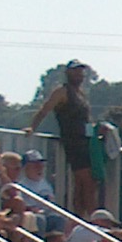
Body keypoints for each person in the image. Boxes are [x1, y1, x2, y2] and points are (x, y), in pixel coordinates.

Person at [27, 60, 98, 216]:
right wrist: (32, 127)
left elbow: (86, 119)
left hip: (85, 141)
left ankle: (80, 218)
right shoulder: (62, 92)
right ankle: (91, 219)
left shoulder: (81, 94)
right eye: (75, 71)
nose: (79, 75)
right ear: (68, 73)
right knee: (86, 182)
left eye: (81, 72)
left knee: (84, 184)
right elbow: (44, 110)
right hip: (73, 142)